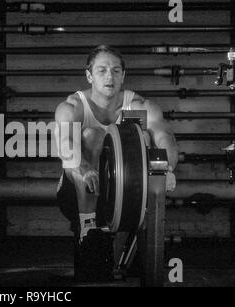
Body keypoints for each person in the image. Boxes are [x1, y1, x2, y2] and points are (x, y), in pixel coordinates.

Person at [55, 45, 178, 281]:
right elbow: (65, 142)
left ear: (123, 75)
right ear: (89, 75)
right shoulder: (73, 106)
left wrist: (167, 167)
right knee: (92, 136)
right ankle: (87, 225)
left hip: (127, 193)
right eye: (101, 70)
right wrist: (84, 168)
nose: (109, 76)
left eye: (115, 70)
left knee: (144, 137)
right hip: (77, 191)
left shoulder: (140, 105)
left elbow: (164, 136)